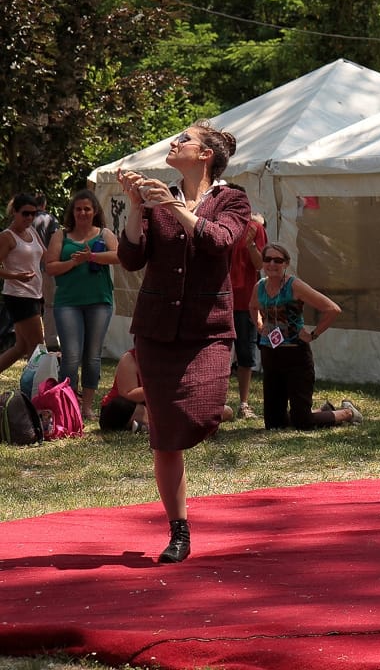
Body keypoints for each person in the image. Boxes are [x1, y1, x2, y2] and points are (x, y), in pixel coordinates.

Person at [116, 121, 250, 565]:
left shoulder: (233, 199)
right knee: (165, 436)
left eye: (182, 141)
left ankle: (188, 424)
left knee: (203, 415)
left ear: (206, 155)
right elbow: (132, 258)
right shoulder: (156, 201)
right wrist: (137, 207)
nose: (173, 144)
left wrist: (172, 205)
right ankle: (178, 530)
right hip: (156, 329)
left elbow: (218, 240)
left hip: (208, 329)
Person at [249, 243, 362, 431]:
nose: (272, 264)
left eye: (278, 260)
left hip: (296, 356)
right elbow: (252, 306)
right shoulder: (260, 286)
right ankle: (322, 411)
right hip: (270, 355)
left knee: (303, 423)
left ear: (286, 263)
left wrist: (313, 334)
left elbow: (332, 309)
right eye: (267, 259)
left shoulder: (295, 285)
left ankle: (348, 412)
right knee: (274, 424)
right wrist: (260, 326)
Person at [45, 190, 119, 419]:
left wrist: (92, 258)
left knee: (93, 356)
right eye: (78, 209)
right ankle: (66, 406)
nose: (83, 213)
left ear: (95, 211)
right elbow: (50, 267)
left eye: (87, 208)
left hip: (99, 302)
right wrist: (74, 262)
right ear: (72, 212)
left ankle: (86, 407)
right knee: (71, 356)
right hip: (68, 303)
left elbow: (119, 256)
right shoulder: (61, 235)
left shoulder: (104, 234)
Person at [228, 190, 267, 419]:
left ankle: (243, 404)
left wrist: (252, 243)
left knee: (245, 353)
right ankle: (217, 402)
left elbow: (260, 263)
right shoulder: (216, 226)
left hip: (245, 300)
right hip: (218, 299)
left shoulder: (255, 228)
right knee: (219, 354)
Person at [0, 194, 46, 374]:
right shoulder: (7, 236)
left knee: (21, 348)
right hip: (19, 296)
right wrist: (16, 276)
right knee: (39, 350)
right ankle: (41, 392)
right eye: (25, 213)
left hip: (34, 294)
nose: (29, 218)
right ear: (14, 212)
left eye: (33, 214)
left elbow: (47, 254)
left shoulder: (32, 231)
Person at [32, 194, 60, 350]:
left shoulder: (26, 220)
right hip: (46, 268)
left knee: (32, 305)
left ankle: (31, 339)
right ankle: (51, 341)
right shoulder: (50, 219)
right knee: (50, 305)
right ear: (44, 204)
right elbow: (55, 242)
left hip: (29, 269)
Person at [99, 348, 149, 433]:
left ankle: (145, 426)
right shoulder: (130, 358)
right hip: (123, 408)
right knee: (119, 405)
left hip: (151, 406)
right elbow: (128, 394)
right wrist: (156, 387)